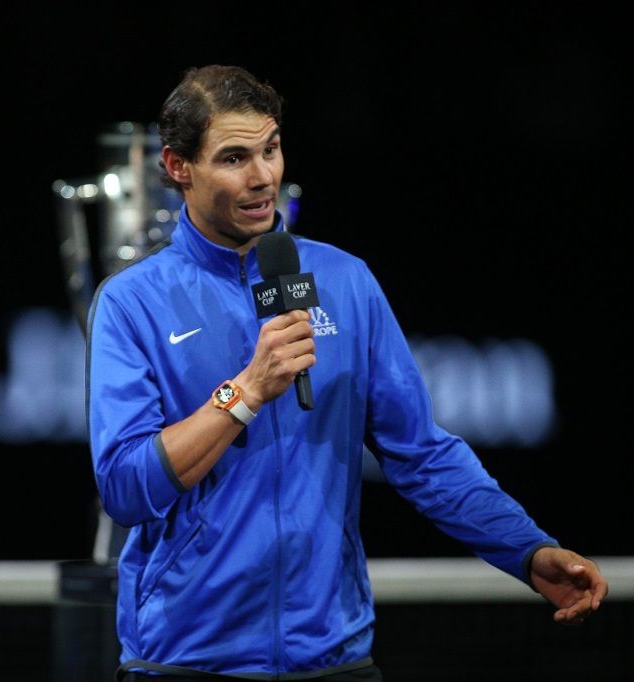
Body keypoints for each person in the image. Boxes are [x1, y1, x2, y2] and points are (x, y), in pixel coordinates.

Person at [86, 65, 608, 680]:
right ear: (178, 168)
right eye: (233, 157)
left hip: (332, 659)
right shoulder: (131, 302)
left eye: (271, 149)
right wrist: (246, 392)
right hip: (187, 662)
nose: (263, 179)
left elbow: (423, 455)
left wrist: (526, 549)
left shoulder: (345, 282)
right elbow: (125, 487)